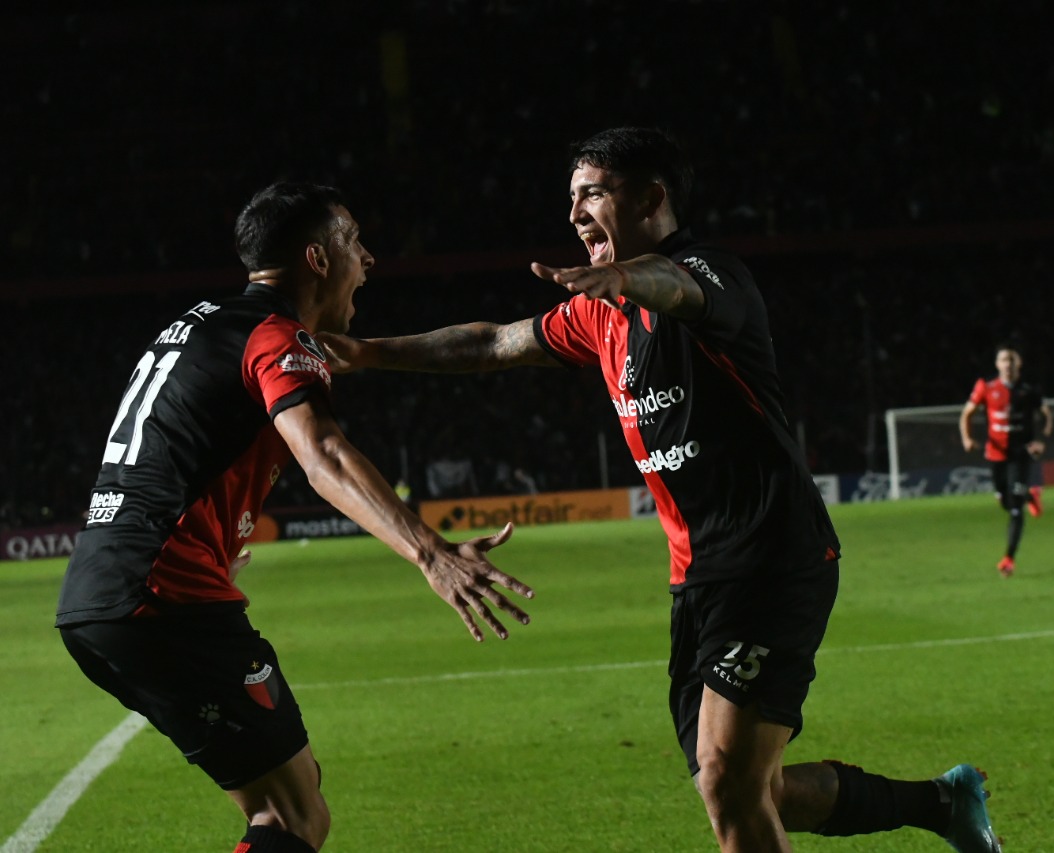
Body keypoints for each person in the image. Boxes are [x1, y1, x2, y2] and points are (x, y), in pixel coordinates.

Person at [320, 127, 1001, 852]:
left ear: (651, 197)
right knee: (749, 789)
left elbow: (676, 286)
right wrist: (368, 352)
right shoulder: (598, 313)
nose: (575, 214)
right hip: (696, 576)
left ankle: (941, 804)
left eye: (593, 194)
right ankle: (942, 803)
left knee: (729, 782)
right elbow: (494, 342)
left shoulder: (714, 275)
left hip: (771, 557)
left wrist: (629, 279)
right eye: (571, 198)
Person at [55, 182, 535, 853]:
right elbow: (323, 454)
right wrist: (432, 553)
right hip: (162, 596)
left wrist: (208, 546)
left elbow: (162, 453)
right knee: (292, 817)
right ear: (317, 257)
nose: (367, 259)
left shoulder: (195, 327)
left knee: (289, 801)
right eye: (354, 241)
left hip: (101, 591)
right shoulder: (273, 336)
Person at [958, 343, 1054, 577]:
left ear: (1018, 364)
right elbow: (967, 414)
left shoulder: (1029, 389)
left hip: (1020, 455)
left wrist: (1040, 440)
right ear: (997, 364)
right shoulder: (986, 387)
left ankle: (1009, 559)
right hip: (996, 454)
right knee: (1005, 501)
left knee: (1015, 509)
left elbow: (1046, 415)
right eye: (1004, 360)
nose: (1008, 364)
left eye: (1011, 360)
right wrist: (967, 438)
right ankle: (1031, 495)